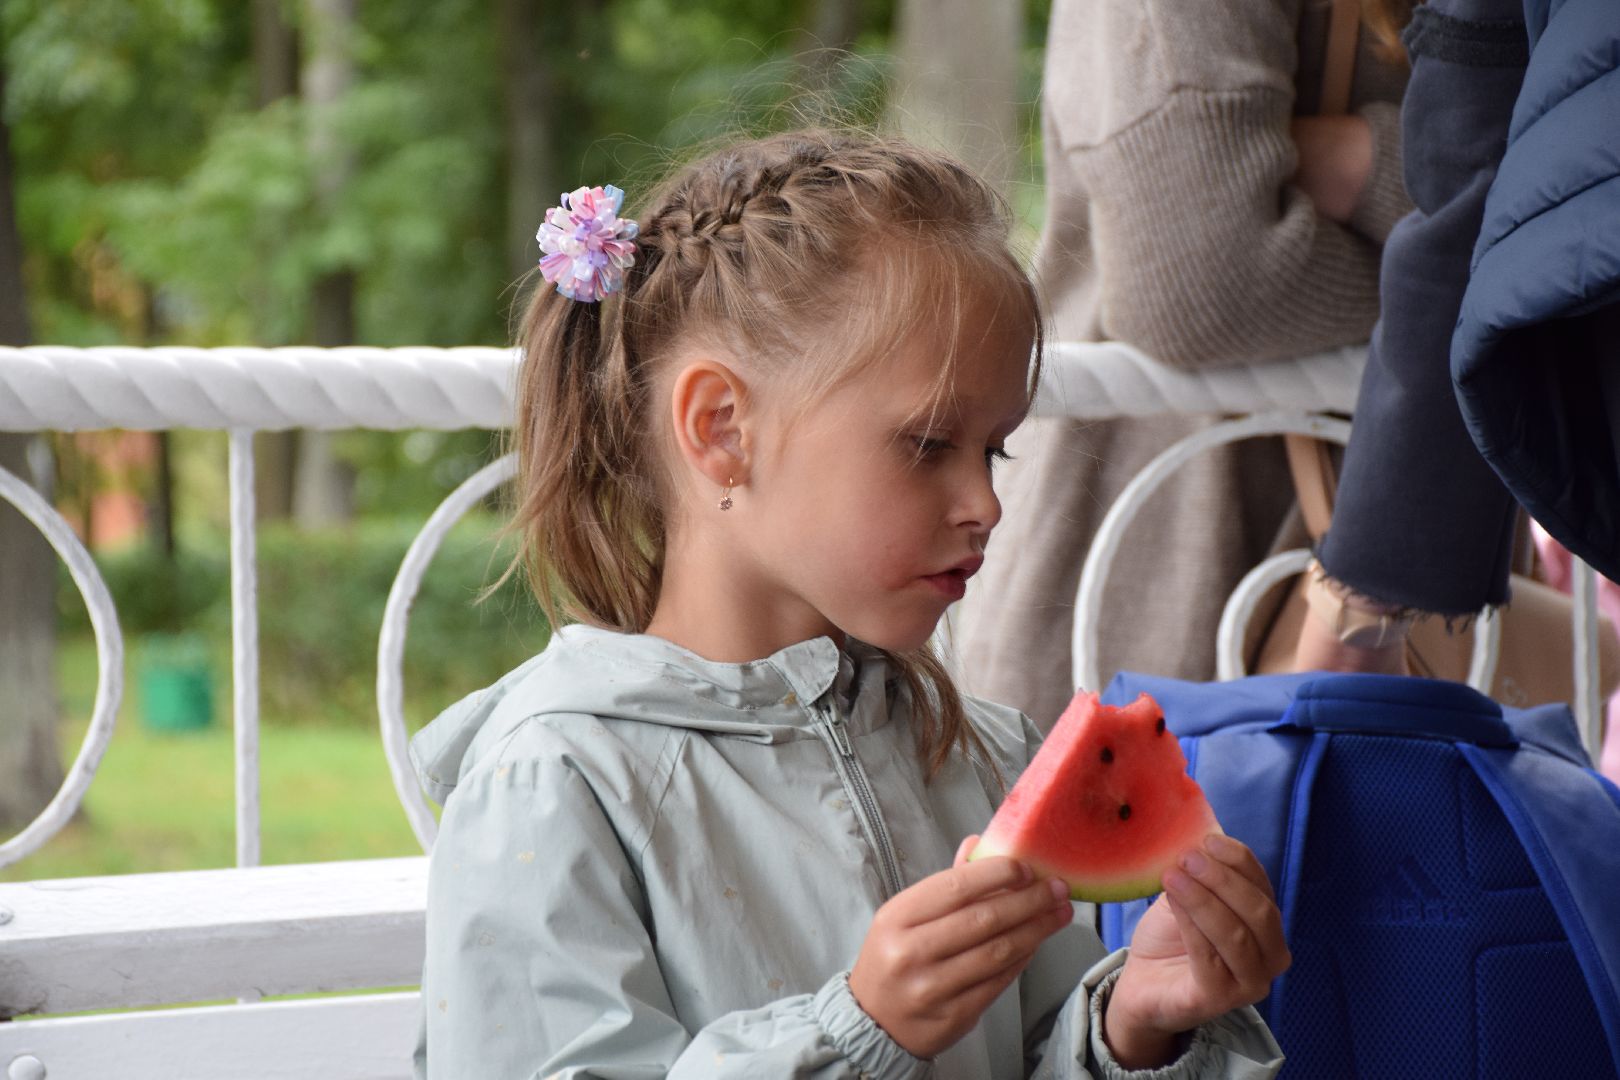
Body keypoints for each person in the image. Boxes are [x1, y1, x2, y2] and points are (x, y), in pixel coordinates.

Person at [409, 131, 1290, 1078]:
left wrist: (1135, 1031)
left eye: (993, 450)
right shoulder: (555, 784)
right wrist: (855, 1035)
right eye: (925, 444)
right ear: (722, 430)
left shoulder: (982, 755)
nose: (987, 504)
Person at [952, 0, 1416, 726]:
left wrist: (1364, 157)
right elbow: (1198, 285)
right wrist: (1454, 284)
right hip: (1158, 564)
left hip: (1402, 565)